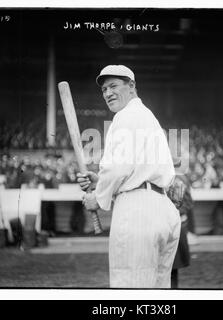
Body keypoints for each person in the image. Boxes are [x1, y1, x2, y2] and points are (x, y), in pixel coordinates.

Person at [77, 65, 181, 288]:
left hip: (138, 212)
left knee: (130, 289)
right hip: (164, 209)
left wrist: (98, 196)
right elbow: (135, 169)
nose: (107, 93)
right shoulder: (149, 117)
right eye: (104, 89)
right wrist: (102, 183)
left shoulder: (124, 116)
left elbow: (116, 169)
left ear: (132, 86)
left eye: (114, 86)